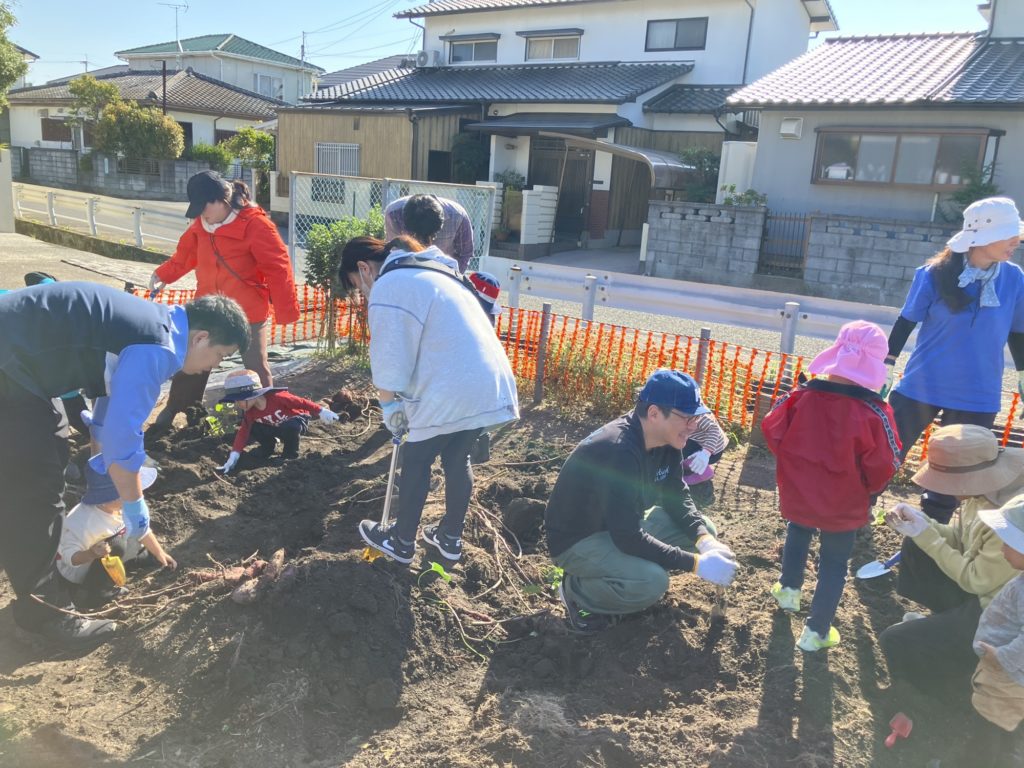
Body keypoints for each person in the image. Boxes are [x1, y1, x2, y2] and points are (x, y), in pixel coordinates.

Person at [0, 282, 249, 648]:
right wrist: (133, 504)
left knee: (49, 453)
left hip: (21, 368)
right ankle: (43, 613)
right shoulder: (159, 347)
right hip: (10, 366)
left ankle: (34, 572)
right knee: (35, 483)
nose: (213, 367)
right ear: (201, 338)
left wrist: (100, 453)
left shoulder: (155, 326)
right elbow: (123, 435)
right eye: (220, 356)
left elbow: (108, 410)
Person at [339, 235, 519, 565]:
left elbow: (389, 356)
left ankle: (401, 540)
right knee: (457, 458)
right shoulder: (436, 272)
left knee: (417, 459)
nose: (362, 293)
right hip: (488, 384)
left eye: (356, 285)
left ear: (364, 269)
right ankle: (449, 537)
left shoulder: (390, 283)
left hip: (452, 387)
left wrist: (390, 406)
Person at [544, 369, 737, 634]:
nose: (693, 427)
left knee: (705, 529)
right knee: (653, 583)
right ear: (655, 413)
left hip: (618, 527)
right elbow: (628, 537)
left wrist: (705, 541)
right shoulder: (619, 451)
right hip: (578, 541)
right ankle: (576, 591)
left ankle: (626, 573)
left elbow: (676, 494)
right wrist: (695, 564)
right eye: (687, 418)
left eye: (696, 418)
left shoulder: (668, 440)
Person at [762, 320, 902, 652]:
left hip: (800, 491)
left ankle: (789, 591)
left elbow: (772, 428)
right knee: (834, 564)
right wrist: (869, 489)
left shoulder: (801, 396)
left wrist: (793, 465)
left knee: (797, 532)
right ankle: (816, 632)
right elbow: (885, 463)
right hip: (845, 502)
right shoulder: (874, 412)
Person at [883, 197, 1024, 523]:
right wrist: (886, 364)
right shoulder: (934, 274)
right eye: (1009, 235)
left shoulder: (1014, 279)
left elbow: (1017, 331)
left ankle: (930, 533)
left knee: (952, 479)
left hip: (978, 394)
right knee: (885, 455)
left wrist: (1023, 372)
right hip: (922, 386)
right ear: (982, 237)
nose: (1016, 241)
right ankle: (852, 517)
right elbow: (906, 321)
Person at [879, 424, 1023, 697]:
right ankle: (945, 623)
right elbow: (961, 540)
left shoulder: (1010, 518)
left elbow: (975, 581)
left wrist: (926, 535)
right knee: (916, 546)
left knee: (895, 641)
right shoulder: (980, 494)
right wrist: (924, 523)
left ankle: (942, 691)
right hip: (981, 593)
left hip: (994, 614)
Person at [149, 171, 300, 431]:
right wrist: (163, 274)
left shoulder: (256, 225)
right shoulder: (200, 225)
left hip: (248, 311)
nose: (201, 214)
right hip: (209, 310)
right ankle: (180, 409)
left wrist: (286, 310)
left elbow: (278, 268)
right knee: (193, 361)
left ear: (221, 200)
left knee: (255, 365)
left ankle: (265, 416)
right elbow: (185, 256)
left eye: (204, 207)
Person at [57, 465, 173, 611]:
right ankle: (97, 594)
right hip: (81, 570)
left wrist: (159, 552)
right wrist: (91, 553)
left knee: (127, 540)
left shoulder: (124, 506)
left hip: (110, 546)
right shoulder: (83, 522)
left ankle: (136, 558)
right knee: (117, 545)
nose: (135, 496)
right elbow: (69, 558)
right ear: (108, 498)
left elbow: (141, 528)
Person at [216, 368, 340, 473]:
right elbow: (243, 433)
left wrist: (321, 411)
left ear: (252, 394)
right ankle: (268, 448)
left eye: (240, 400)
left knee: (291, 426)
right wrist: (234, 455)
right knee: (253, 426)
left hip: (296, 422)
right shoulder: (250, 412)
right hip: (275, 427)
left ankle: (290, 454)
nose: (238, 404)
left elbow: (302, 402)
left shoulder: (278, 397)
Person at [384, 194, 475, 273]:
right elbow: (395, 252)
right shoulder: (394, 214)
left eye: (430, 237)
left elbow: (464, 254)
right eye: (415, 237)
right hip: (407, 270)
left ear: (439, 228)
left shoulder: (458, 216)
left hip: (443, 272)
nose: (423, 246)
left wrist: (453, 277)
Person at [681, 413, 729, 510]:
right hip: (696, 440)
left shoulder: (694, 410)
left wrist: (706, 452)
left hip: (710, 447)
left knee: (680, 453)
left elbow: (714, 429)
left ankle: (702, 491)